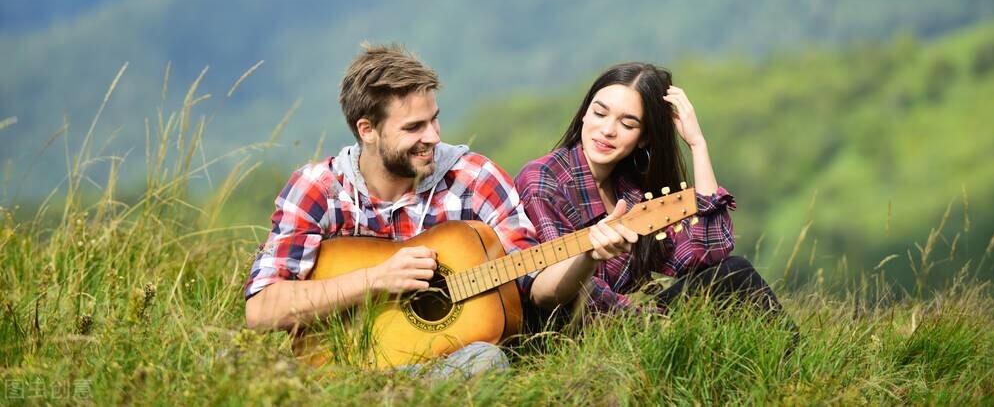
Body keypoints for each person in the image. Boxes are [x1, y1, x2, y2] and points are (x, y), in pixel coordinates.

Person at [244, 43, 564, 376]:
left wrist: (589, 251)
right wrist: (376, 280)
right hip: (342, 371)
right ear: (367, 129)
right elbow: (261, 310)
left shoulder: (476, 178)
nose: (433, 137)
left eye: (434, 120)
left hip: (448, 365)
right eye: (414, 128)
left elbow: (531, 275)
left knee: (488, 361)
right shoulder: (317, 189)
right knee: (234, 363)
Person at [517, 62, 786, 324]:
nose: (608, 130)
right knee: (735, 277)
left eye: (628, 124)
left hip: (632, 322)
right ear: (585, 113)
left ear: (644, 137)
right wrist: (656, 321)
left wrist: (697, 144)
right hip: (575, 333)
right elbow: (563, 296)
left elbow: (711, 250)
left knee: (732, 273)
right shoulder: (543, 181)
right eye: (600, 113)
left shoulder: (631, 187)